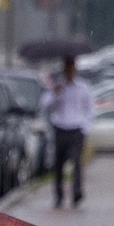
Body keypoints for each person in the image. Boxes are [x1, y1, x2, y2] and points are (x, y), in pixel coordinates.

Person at [39, 57, 94, 208]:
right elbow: (44, 107)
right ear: (64, 70)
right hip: (60, 129)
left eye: (72, 69)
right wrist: (55, 94)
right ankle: (59, 195)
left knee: (76, 162)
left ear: (75, 70)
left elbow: (89, 109)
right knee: (59, 165)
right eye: (67, 69)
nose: (70, 72)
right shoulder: (57, 87)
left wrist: (86, 128)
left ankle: (76, 193)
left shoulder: (83, 87)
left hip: (76, 129)